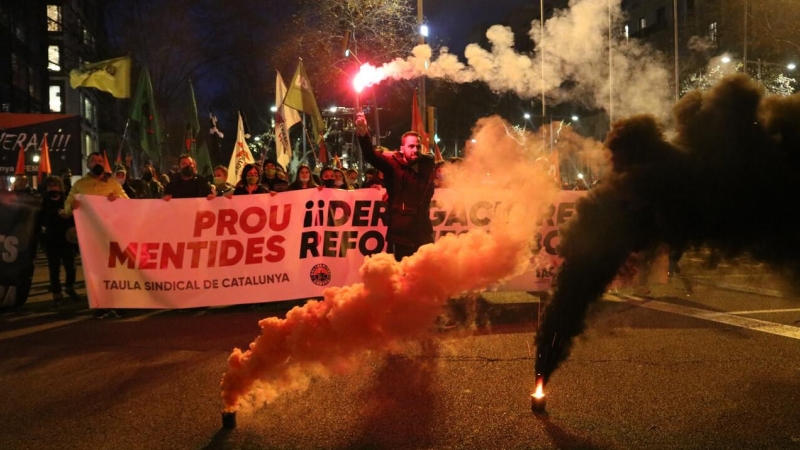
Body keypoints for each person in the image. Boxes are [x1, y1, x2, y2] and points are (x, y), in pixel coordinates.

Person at [355, 112, 436, 261]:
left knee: (426, 275)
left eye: (418, 146)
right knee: (402, 277)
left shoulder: (427, 166)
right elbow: (370, 155)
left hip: (423, 233)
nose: (415, 150)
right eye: (411, 146)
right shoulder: (392, 165)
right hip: (400, 236)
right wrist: (363, 133)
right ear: (401, 148)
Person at [63, 152, 128, 319]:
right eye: (94, 160)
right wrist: (72, 206)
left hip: (111, 233)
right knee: (96, 270)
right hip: (91, 234)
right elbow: (67, 207)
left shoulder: (113, 184)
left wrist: (118, 199)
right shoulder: (79, 185)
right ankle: (101, 305)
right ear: (88, 165)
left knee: (115, 270)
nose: (97, 163)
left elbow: (127, 202)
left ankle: (117, 303)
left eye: (100, 161)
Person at [38, 176, 78, 307]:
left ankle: (70, 287)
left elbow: (75, 216)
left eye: (56, 185)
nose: (53, 188)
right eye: (50, 186)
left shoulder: (68, 200)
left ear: (61, 187)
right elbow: (39, 220)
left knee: (71, 267)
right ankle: (56, 293)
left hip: (67, 239)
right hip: (51, 240)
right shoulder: (42, 202)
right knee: (54, 268)